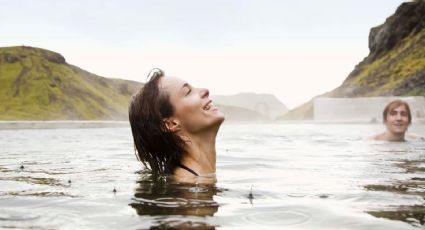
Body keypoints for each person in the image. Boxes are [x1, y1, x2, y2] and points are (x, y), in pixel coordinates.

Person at [129, 68, 225, 183]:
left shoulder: (195, 180)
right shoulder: (191, 188)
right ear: (171, 124)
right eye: (188, 92)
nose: (205, 90)